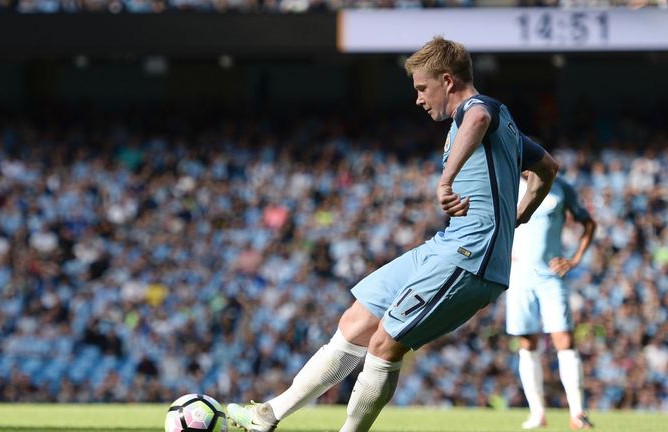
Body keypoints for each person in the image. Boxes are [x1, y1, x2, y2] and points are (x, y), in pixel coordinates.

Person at [226, 36, 559, 432]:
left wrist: (446, 181)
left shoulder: (477, 109)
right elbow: (548, 168)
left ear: (448, 81)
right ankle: (268, 415)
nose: (418, 99)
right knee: (354, 323)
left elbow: (478, 119)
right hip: (447, 245)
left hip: (470, 256)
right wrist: (520, 214)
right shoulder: (507, 128)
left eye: (422, 87)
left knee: (384, 343)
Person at [506, 172, 597, 430]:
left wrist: (575, 259)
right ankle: (537, 413)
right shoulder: (509, 184)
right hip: (520, 276)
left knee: (565, 340)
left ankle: (578, 413)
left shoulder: (560, 188)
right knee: (527, 342)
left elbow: (588, 223)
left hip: (550, 276)